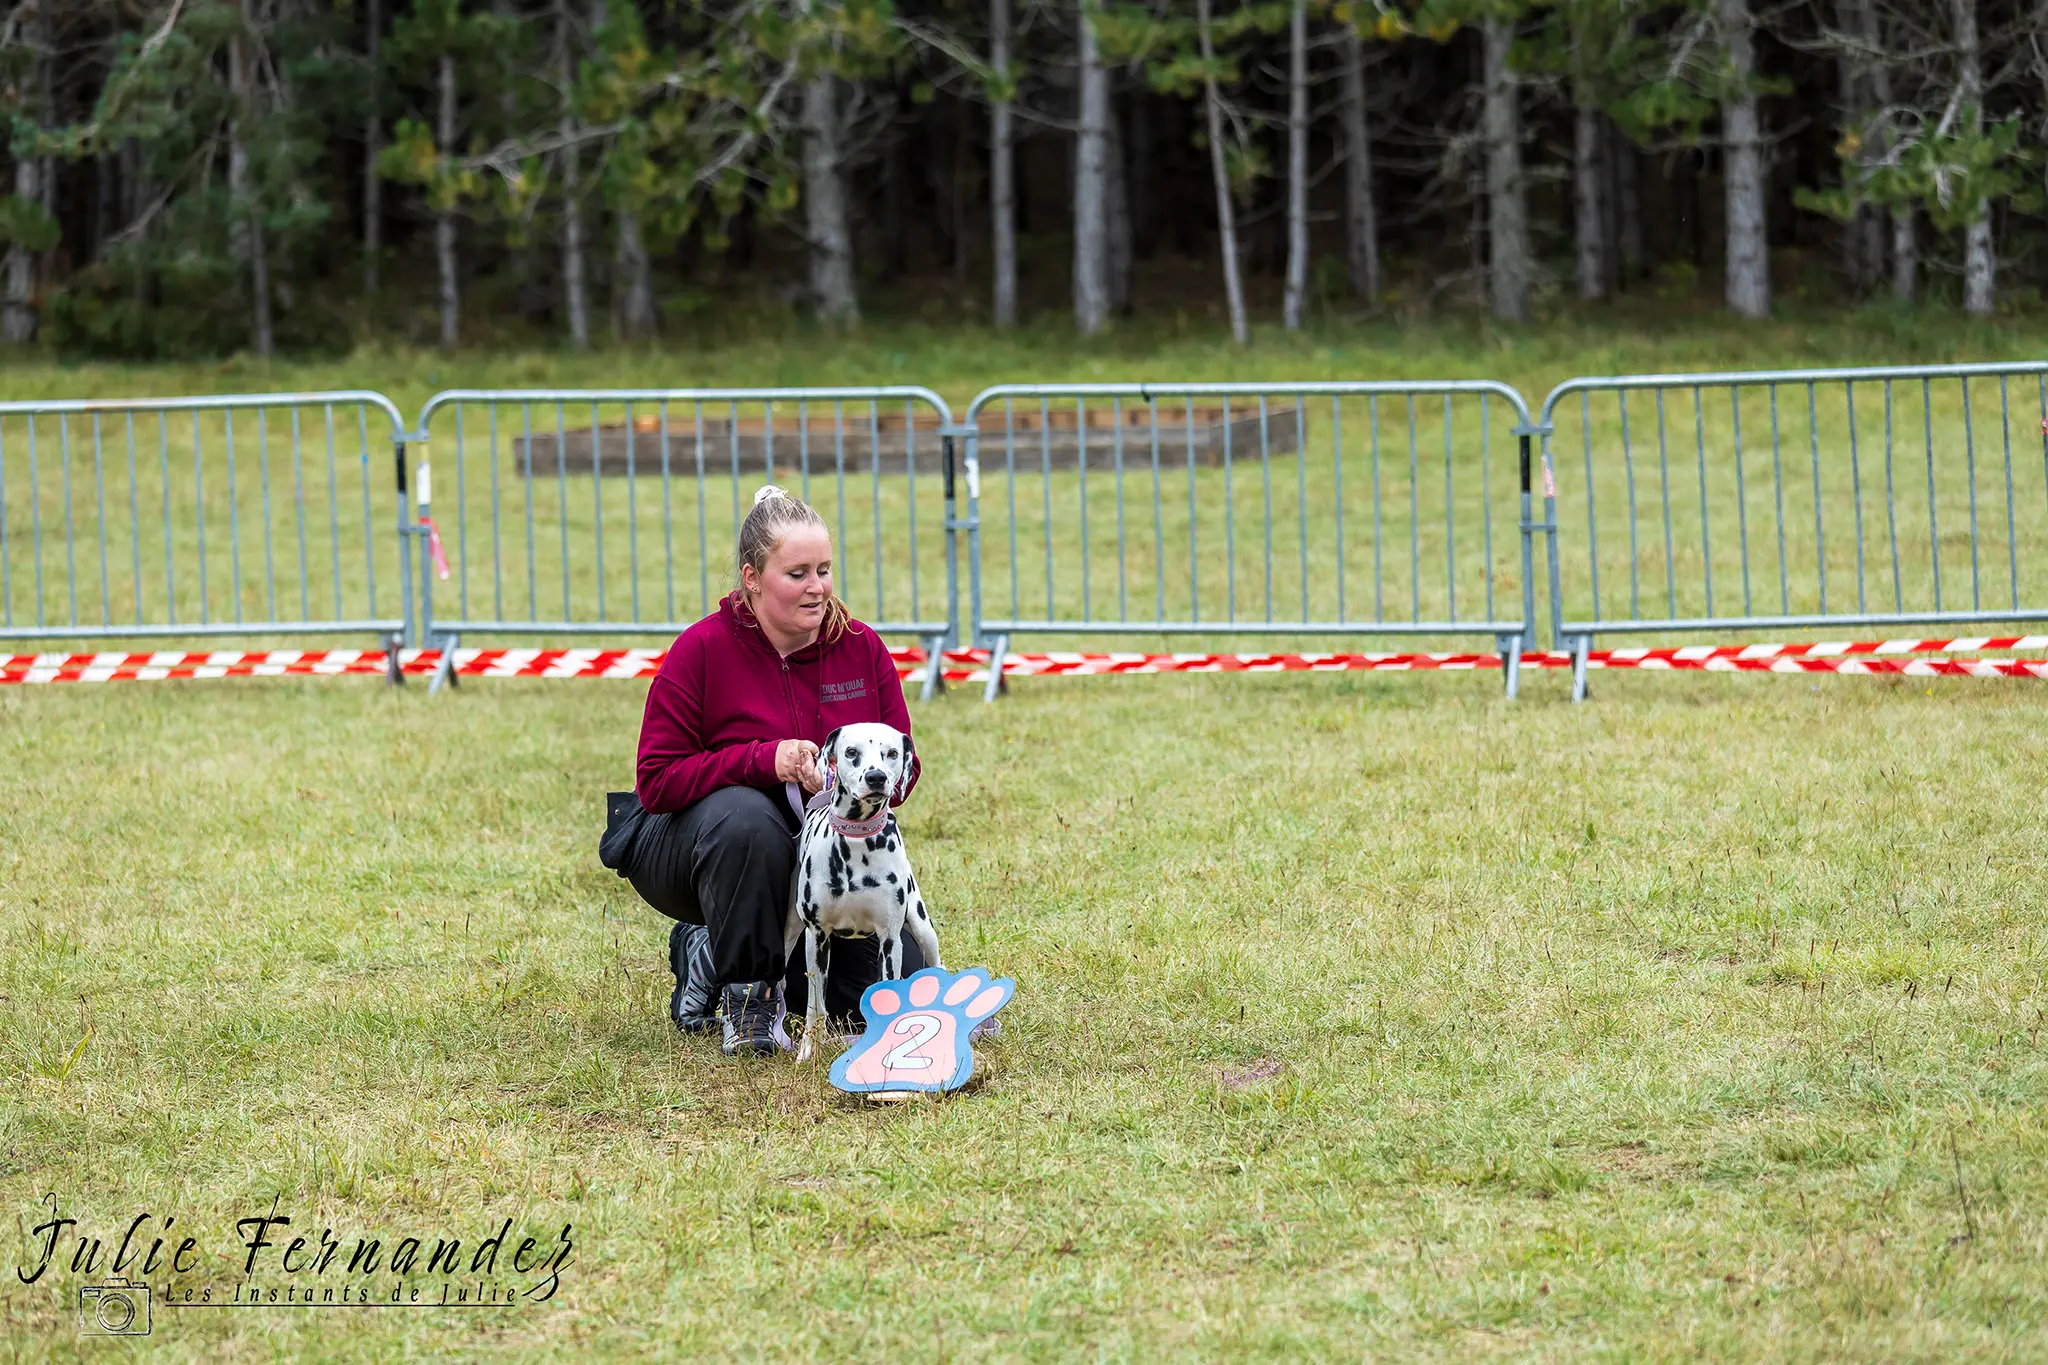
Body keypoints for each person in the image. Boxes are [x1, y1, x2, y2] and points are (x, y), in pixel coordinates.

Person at [598, 485, 929, 1056]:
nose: (818, 587)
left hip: (821, 855)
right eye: (797, 573)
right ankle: (749, 1000)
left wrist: (840, 779)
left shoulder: (861, 649)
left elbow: (905, 766)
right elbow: (655, 780)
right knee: (745, 815)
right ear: (752, 577)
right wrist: (763, 760)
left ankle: (711, 951)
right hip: (694, 845)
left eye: (824, 570)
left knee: (870, 999)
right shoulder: (700, 649)